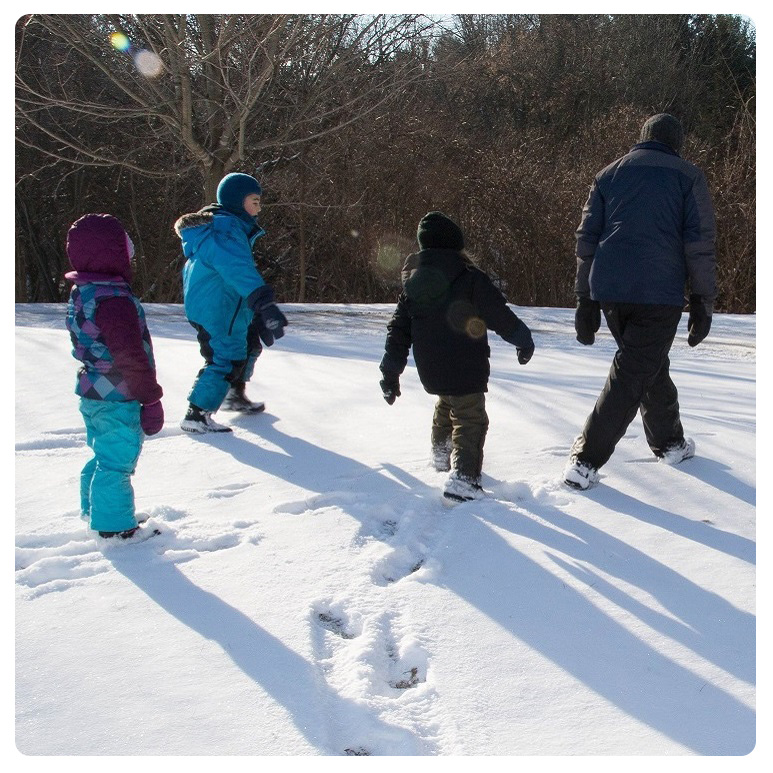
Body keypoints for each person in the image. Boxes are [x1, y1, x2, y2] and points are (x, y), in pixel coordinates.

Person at [563, 113, 717, 490]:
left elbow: (587, 240)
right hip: (658, 292)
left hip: (611, 291)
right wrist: (702, 300)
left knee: (646, 364)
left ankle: (669, 442)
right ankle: (586, 461)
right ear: (676, 142)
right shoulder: (687, 175)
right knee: (632, 373)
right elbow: (698, 245)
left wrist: (585, 299)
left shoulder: (608, 174)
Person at [379, 211, 535, 502]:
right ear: (456, 245)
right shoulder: (470, 278)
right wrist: (523, 340)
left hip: (432, 369)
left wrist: (390, 373)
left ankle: (441, 456)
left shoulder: (412, 286)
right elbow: (500, 315)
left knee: (446, 404)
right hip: (466, 367)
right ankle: (463, 478)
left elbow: (397, 332)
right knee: (470, 419)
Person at [65, 214, 164, 540]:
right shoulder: (114, 300)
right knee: (117, 462)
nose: (131, 257)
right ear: (113, 255)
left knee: (103, 454)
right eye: (126, 250)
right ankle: (115, 528)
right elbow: (129, 356)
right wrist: (150, 398)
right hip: (118, 395)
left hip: (93, 391)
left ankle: (97, 510)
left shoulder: (85, 292)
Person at [174, 172, 288, 433]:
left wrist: (255, 309)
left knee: (249, 347)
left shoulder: (229, 228)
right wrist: (262, 301)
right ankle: (196, 413)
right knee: (224, 358)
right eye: (254, 200)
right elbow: (237, 269)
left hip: (229, 306)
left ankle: (233, 394)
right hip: (217, 310)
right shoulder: (224, 230)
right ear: (237, 201)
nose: (258, 207)